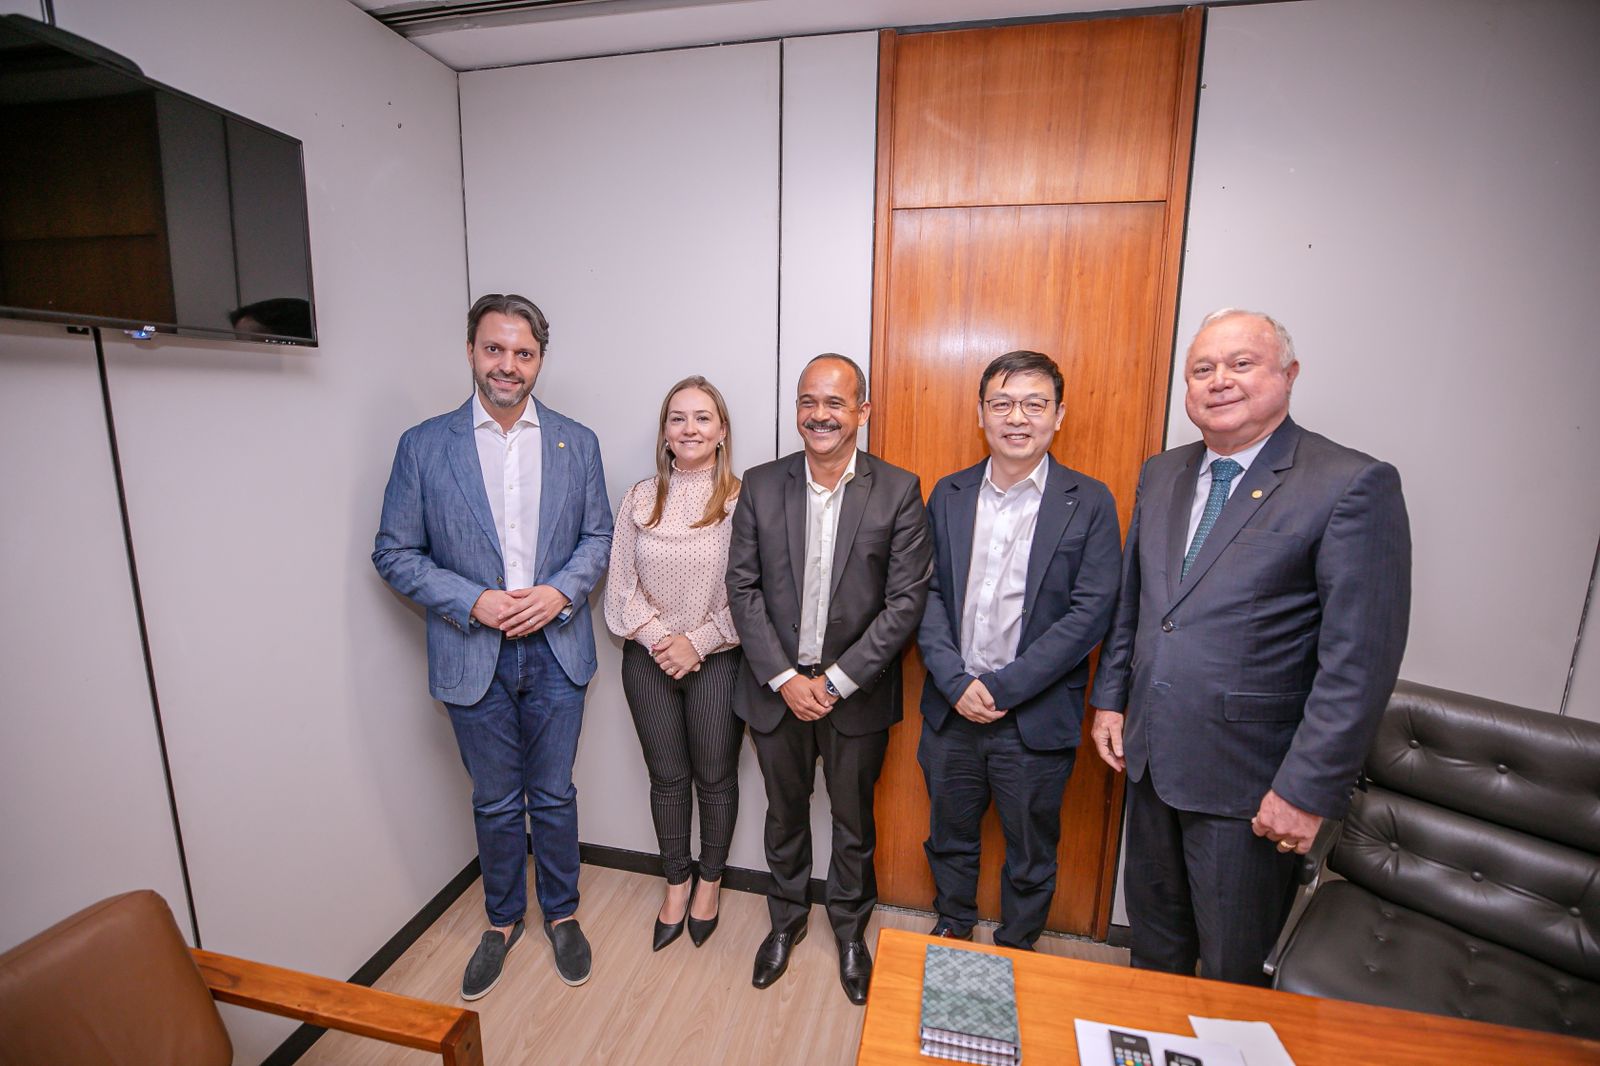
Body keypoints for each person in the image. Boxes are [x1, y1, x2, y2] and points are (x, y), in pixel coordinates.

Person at [1089, 308, 1411, 985]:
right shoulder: (1162, 472)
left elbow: (1358, 664)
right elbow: (1137, 603)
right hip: (1151, 760)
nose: (1219, 381)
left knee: (1233, 972)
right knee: (1153, 952)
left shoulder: (1348, 483)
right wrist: (1111, 701)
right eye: (1202, 369)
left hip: (1252, 785)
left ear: (1288, 375)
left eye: (1241, 364)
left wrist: (1305, 790)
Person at [373, 293, 613, 999]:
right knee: (497, 801)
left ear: (540, 360)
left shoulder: (577, 442)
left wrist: (559, 591)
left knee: (555, 794)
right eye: (494, 349)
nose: (508, 365)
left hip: (557, 650)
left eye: (523, 353)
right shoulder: (424, 446)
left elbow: (598, 537)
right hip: (470, 651)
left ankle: (561, 913)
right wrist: (471, 600)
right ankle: (503, 920)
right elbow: (393, 551)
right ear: (472, 352)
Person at [725, 353, 931, 1005]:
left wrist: (837, 681)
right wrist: (785, 677)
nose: (820, 415)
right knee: (783, 816)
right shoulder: (761, 485)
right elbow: (742, 588)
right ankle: (785, 922)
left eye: (835, 403)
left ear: (862, 411)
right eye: (809, 402)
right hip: (777, 692)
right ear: (797, 409)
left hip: (856, 696)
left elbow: (905, 603)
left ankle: (849, 932)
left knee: (853, 823)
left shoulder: (898, 490)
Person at [916, 351, 1122, 950]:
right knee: (949, 834)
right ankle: (953, 924)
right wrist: (957, 683)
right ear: (981, 414)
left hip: (1034, 715)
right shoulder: (949, 494)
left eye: (1034, 404)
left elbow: (1089, 614)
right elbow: (924, 594)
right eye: (1002, 403)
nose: (1017, 417)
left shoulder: (1090, 500)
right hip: (952, 708)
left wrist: (1003, 688)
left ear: (1059, 415)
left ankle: (1018, 946)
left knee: (1031, 849)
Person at [605, 376, 744, 952]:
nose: (690, 429)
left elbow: (755, 594)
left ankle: (710, 882)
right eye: (678, 418)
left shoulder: (741, 499)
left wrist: (699, 642)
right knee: (666, 779)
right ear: (664, 432)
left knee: (715, 778)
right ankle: (677, 882)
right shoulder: (639, 498)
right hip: (648, 661)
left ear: (722, 431)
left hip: (719, 661)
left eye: (702, 418)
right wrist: (665, 641)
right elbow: (620, 586)